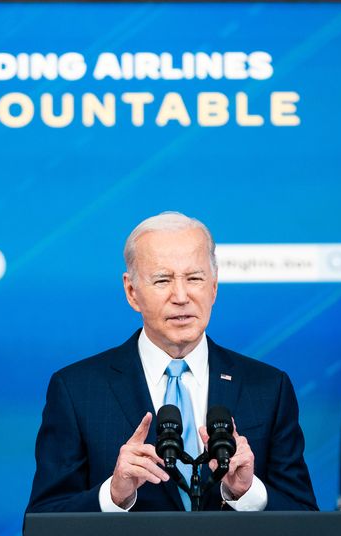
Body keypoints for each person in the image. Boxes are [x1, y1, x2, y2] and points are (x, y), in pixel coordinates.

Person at [27, 211, 317, 514]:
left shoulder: (268, 388)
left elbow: (309, 528)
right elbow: (43, 524)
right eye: (163, 280)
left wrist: (247, 492)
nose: (181, 296)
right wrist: (113, 495)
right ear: (131, 291)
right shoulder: (78, 391)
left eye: (194, 278)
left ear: (214, 286)